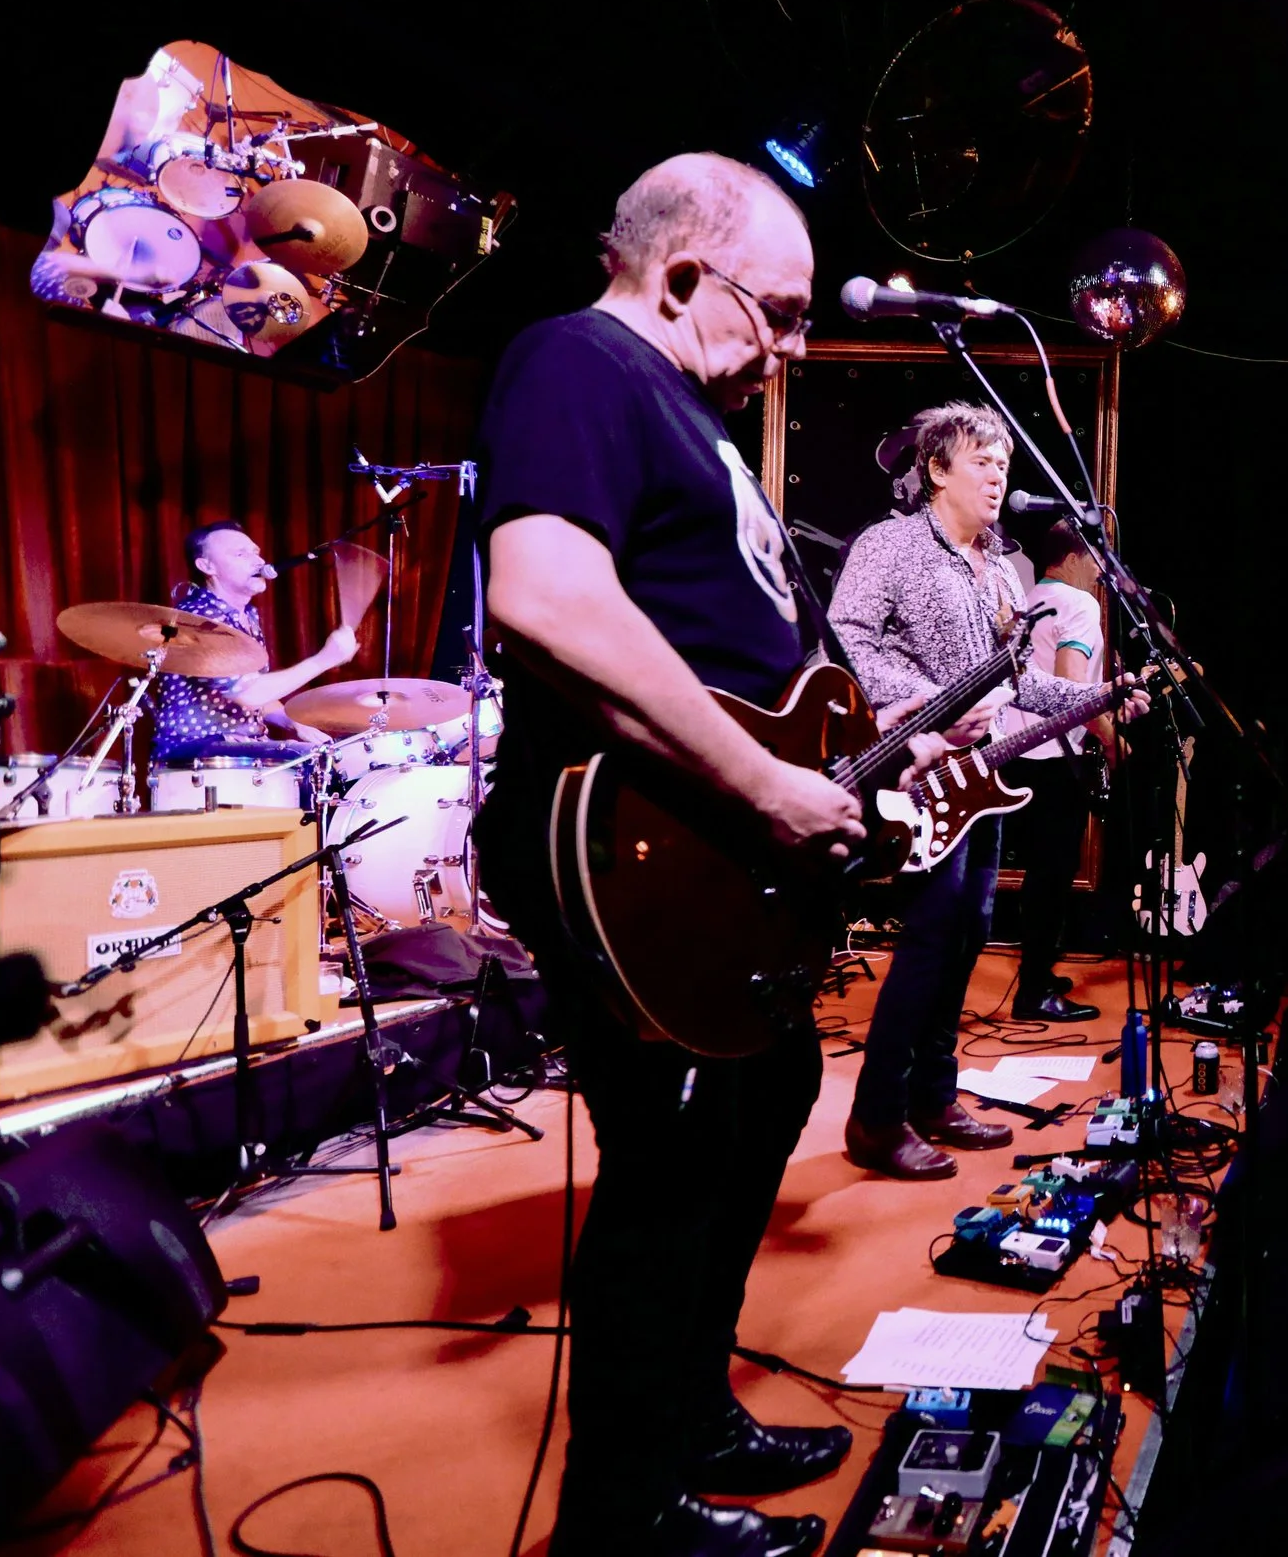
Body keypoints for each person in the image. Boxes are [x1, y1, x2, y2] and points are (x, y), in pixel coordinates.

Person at [473, 153, 880, 1557]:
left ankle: (690, 1411)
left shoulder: (691, 417)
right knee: (669, 1161)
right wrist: (764, 780)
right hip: (628, 835)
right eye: (781, 312)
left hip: (703, 838)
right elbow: (544, 592)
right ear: (684, 275)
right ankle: (620, 1514)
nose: (796, 347)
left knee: (765, 1094)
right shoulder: (579, 360)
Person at [829, 402, 1143, 1181]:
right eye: (983, 462)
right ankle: (876, 1115)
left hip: (984, 779)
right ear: (937, 469)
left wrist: (1097, 701)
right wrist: (928, 697)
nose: (1000, 477)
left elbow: (1017, 682)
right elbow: (845, 642)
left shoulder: (1002, 569)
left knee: (969, 932)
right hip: (915, 768)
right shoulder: (890, 545)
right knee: (932, 934)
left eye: (1005, 464)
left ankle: (935, 1097)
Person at [1001, 518, 1120, 1023]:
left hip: (1012, 755)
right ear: (1072, 557)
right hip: (1055, 761)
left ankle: (1039, 976)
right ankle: (1034, 994)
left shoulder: (1026, 600)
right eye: (1094, 559)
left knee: (1035, 876)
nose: (1099, 572)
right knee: (1051, 878)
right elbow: (1072, 690)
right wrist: (1113, 741)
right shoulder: (1080, 605)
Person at [152, 521, 359, 761]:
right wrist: (324, 660)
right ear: (207, 566)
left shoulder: (246, 615)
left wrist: (292, 722)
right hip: (195, 751)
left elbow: (253, 691)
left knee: (321, 758)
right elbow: (248, 693)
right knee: (302, 760)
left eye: (256, 552)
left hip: (240, 748)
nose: (259, 561)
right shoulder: (198, 619)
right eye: (241, 554)